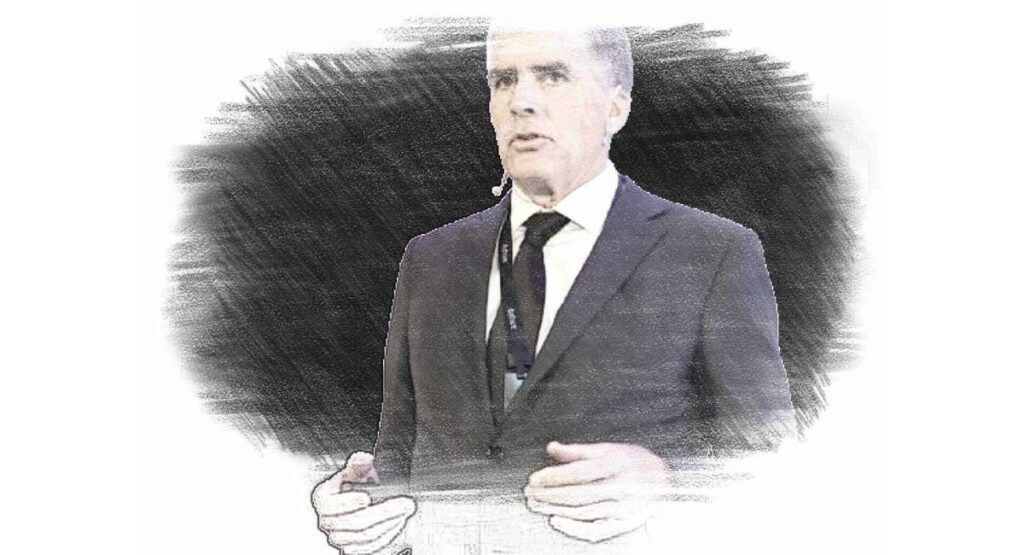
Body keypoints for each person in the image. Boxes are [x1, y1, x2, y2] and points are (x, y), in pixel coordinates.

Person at [311, 25, 796, 553]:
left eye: (552, 76)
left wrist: (669, 482)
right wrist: (362, 505)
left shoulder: (711, 252)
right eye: (504, 80)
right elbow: (397, 457)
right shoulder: (430, 259)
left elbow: (771, 464)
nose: (521, 101)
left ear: (616, 107)